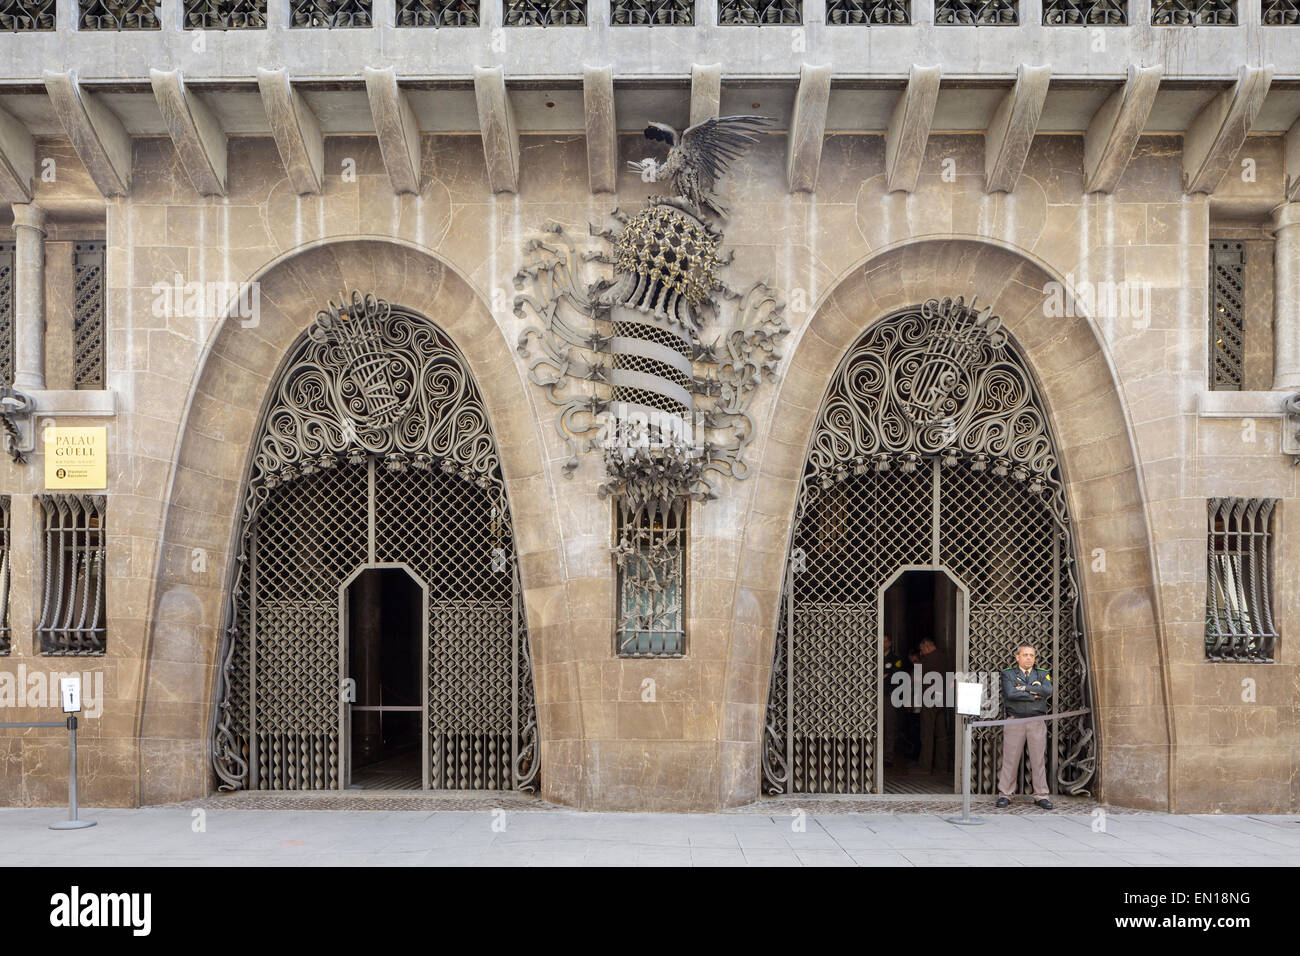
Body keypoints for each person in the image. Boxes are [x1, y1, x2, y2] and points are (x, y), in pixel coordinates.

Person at [996, 642, 1054, 809]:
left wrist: (1024, 688)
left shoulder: (1043, 674)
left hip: (1036, 720)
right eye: (1025, 655)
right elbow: (1010, 693)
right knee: (1010, 759)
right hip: (1015, 720)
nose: (1029, 658)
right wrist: (1033, 693)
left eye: (1032, 655)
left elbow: (1047, 691)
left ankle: (1041, 795)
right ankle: (1005, 794)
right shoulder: (1008, 674)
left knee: (1038, 759)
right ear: (1017, 657)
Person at [913, 637, 951, 775]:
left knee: (927, 733)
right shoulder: (944, 657)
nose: (922, 652)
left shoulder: (927, 660)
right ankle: (942, 766)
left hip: (929, 699)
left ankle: (925, 766)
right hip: (943, 699)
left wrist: (917, 662)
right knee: (941, 734)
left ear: (927, 647)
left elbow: (917, 678)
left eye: (922, 650)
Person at [881, 634, 904, 768]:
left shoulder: (895, 659)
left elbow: (896, 677)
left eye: (885, 642)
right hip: (875, 696)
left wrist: (885, 677)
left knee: (889, 727)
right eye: (881, 641)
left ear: (889, 643)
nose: (883, 644)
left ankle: (887, 757)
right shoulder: (874, 657)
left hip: (888, 696)